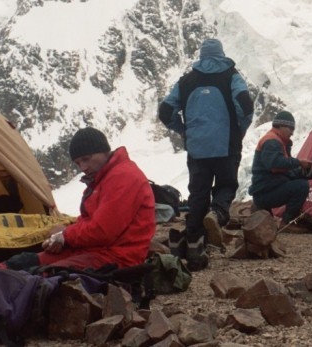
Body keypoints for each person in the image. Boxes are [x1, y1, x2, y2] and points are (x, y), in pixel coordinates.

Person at [158, 38, 254, 269]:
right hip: (226, 145)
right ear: (221, 54)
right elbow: (245, 105)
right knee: (227, 185)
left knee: (198, 194)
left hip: (198, 148)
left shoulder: (187, 81)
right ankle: (218, 214)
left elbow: (165, 111)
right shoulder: (231, 76)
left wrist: (184, 130)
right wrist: (239, 129)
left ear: (201, 56)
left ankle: (194, 249)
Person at [33, 127, 156, 270]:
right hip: (95, 249)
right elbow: (89, 220)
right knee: (27, 261)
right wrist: (66, 233)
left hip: (118, 257)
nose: (83, 167)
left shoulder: (123, 177)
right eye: (78, 163)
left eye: (86, 159)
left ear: (104, 151)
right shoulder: (101, 178)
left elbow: (102, 231)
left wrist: (66, 235)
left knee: (42, 276)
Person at [249, 111, 312, 229]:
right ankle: (287, 222)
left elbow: (284, 169)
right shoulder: (272, 141)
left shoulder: (278, 142)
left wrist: (302, 172)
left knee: (299, 181)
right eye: (290, 128)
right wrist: (299, 162)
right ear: (280, 126)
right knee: (301, 186)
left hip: (266, 189)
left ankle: (262, 210)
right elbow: (275, 165)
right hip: (265, 192)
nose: (292, 132)